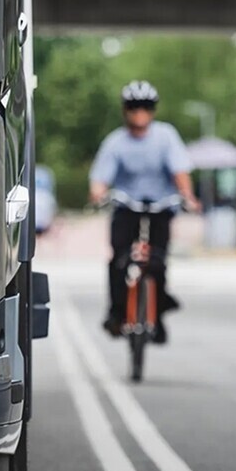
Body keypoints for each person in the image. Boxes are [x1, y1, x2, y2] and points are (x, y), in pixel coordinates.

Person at [89, 81, 201, 343]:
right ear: (125, 110)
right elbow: (100, 178)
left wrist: (189, 198)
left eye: (145, 107)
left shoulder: (166, 136)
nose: (139, 112)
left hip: (161, 206)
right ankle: (117, 313)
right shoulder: (116, 142)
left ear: (153, 110)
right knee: (118, 259)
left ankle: (158, 314)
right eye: (134, 107)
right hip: (127, 206)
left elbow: (180, 172)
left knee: (158, 261)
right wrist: (98, 193)